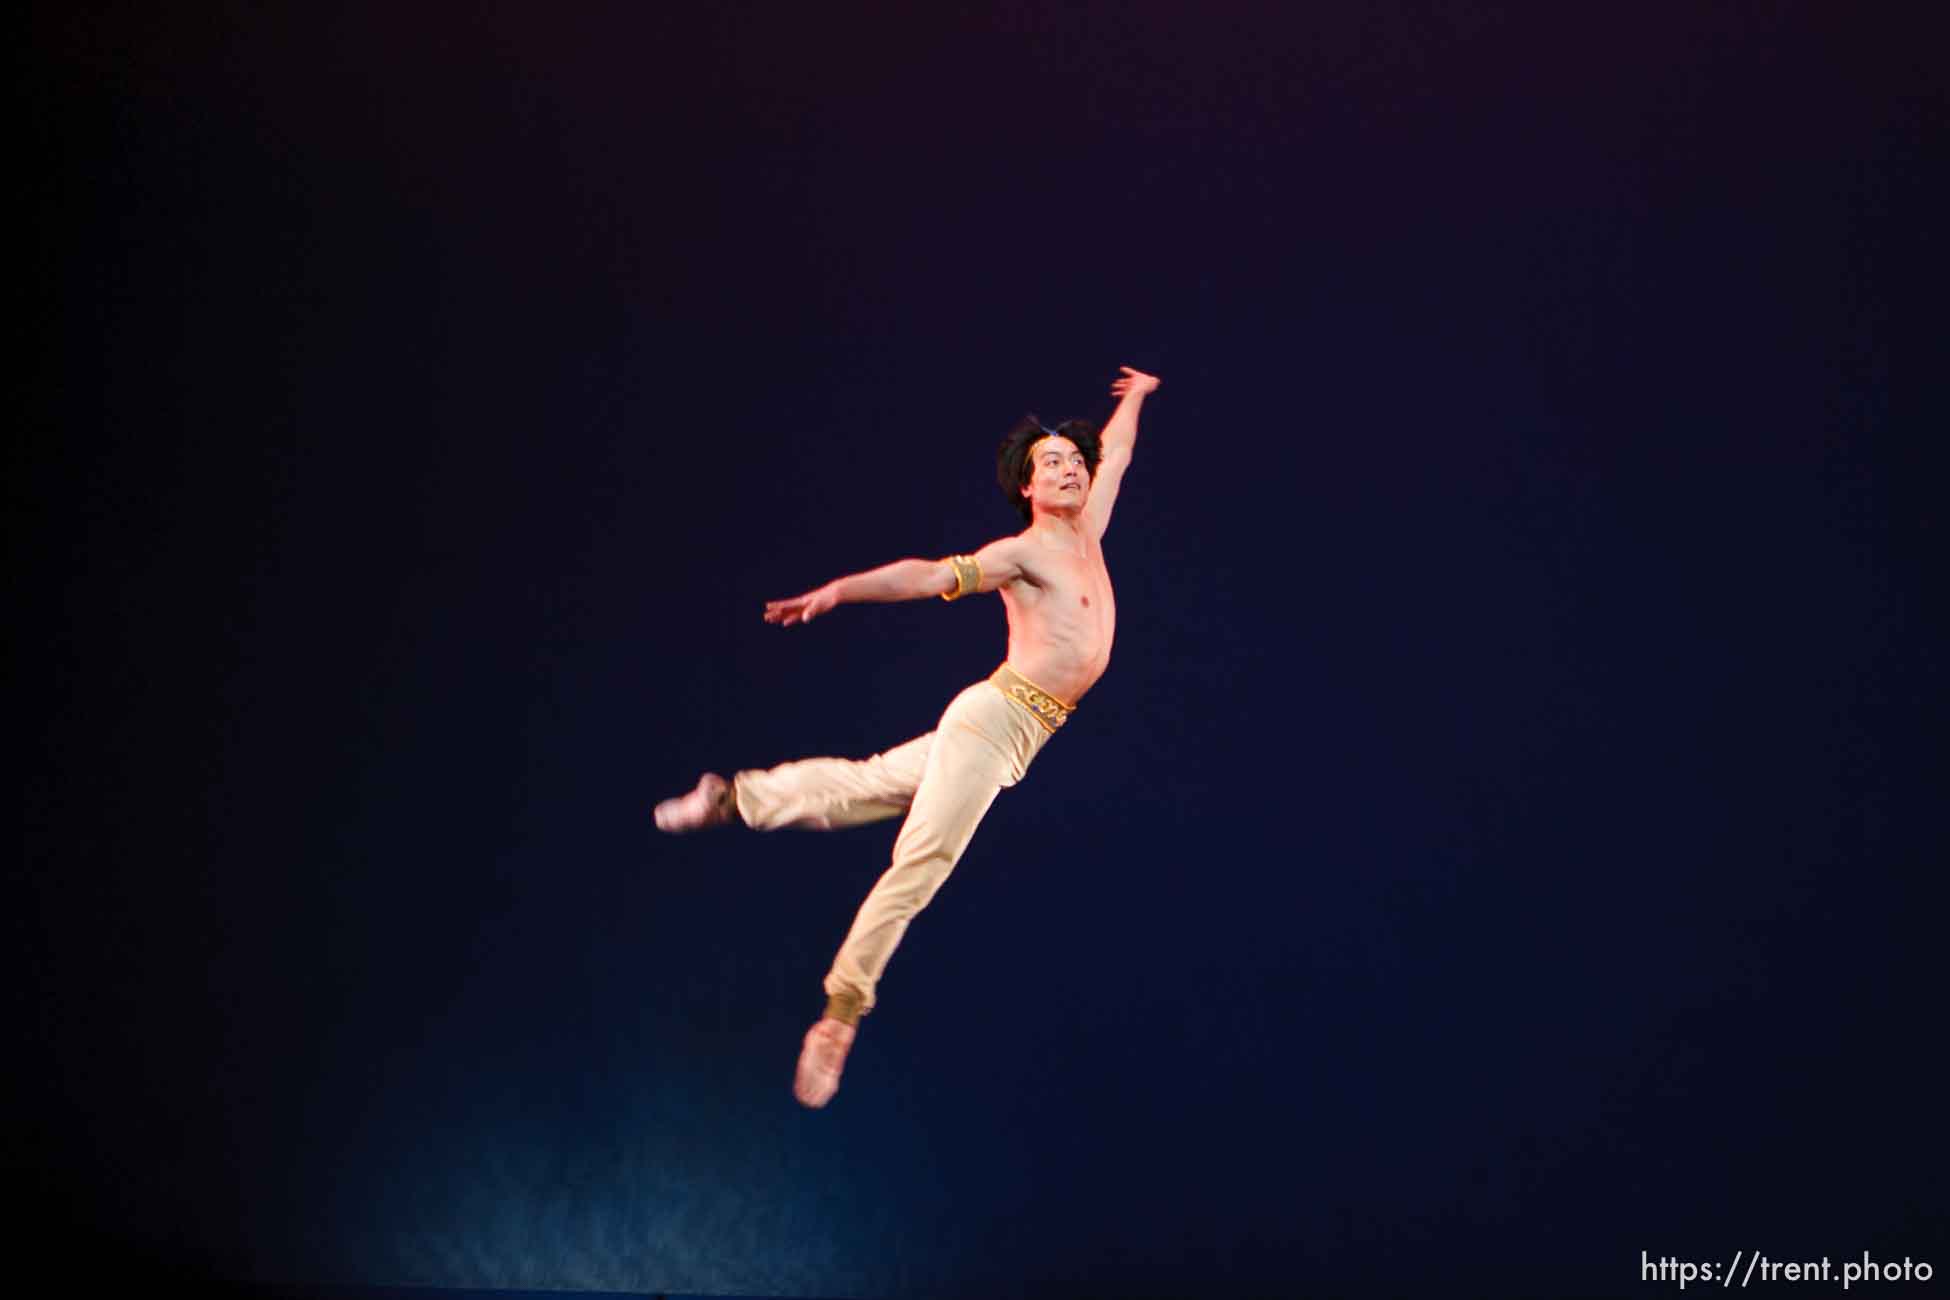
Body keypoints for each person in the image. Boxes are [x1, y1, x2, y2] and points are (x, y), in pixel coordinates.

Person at [655, 365, 1161, 1107]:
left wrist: (1139, 396)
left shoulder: (1090, 529)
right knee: (922, 864)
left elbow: (1115, 451)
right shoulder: (1023, 554)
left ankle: (733, 797)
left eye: (1074, 462)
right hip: (991, 723)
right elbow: (927, 576)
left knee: (861, 789)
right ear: (1027, 486)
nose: (1070, 468)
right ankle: (839, 1013)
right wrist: (842, 590)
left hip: (1014, 739)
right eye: (1050, 462)